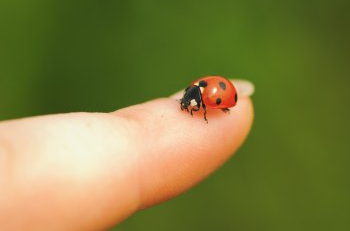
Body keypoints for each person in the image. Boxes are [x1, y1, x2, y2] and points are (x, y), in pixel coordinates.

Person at [0, 80, 254, 230]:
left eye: (190, 104)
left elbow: (208, 98)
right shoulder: (198, 95)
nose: (188, 106)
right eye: (189, 104)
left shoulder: (206, 98)